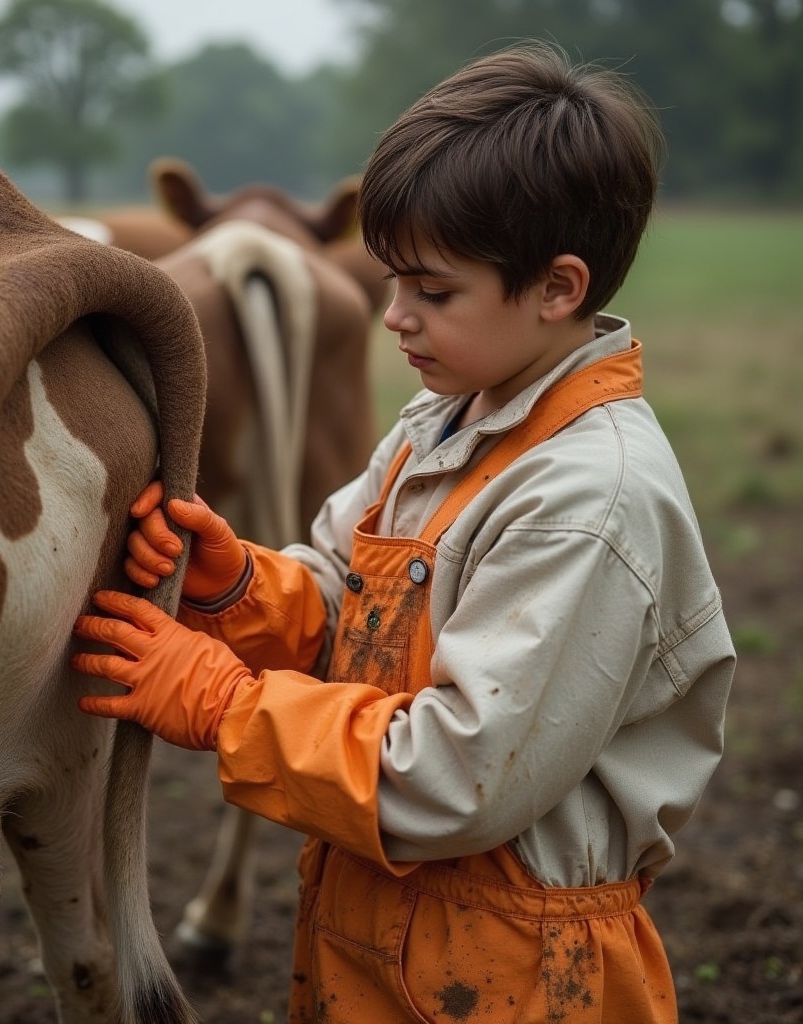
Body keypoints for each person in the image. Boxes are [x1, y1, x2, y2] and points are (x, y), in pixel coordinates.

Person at [70, 40, 736, 1023]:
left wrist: (225, 703)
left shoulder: (588, 505)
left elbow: (459, 776)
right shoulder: (443, 426)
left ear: (556, 289)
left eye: (432, 291)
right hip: (381, 918)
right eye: (390, 282)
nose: (392, 318)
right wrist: (240, 590)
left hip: (518, 965)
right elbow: (352, 603)